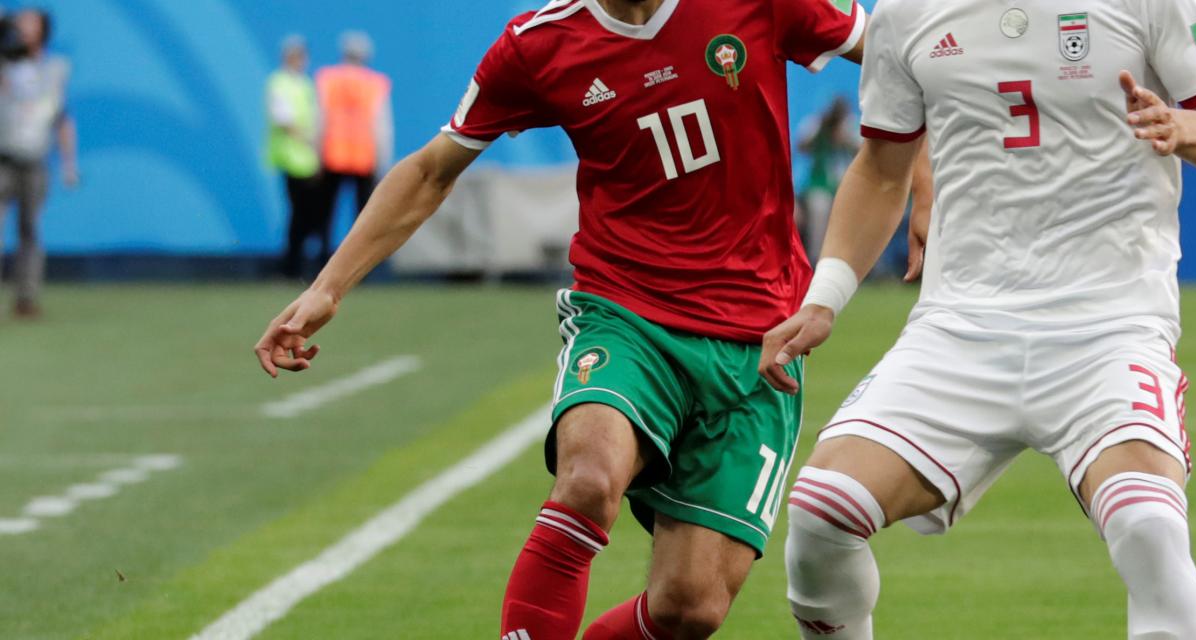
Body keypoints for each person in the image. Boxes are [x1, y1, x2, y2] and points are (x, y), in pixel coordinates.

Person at [251, 0, 868, 638]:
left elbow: (895, 52)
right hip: (628, 314)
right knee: (589, 478)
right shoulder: (538, 44)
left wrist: (926, 163)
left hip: (758, 336)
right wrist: (329, 287)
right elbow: (433, 170)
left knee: (690, 606)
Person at [759, 0, 1196, 637]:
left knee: (1150, 527)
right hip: (960, 329)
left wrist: (1182, 127)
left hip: (1108, 329)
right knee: (820, 510)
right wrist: (825, 297)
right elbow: (883, 168)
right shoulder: (905, 13)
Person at [0, 7, 75, 320]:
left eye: (30, 24)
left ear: (43, 29)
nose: (24, 29)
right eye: (20, 24)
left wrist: (69, 163)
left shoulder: (55, 68)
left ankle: (26, 299)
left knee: (30, 230)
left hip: (35, 159)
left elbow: (60, 117)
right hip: (3, 157)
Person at [314, 31, 392, 234]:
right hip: (364, 158)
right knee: (363, 217)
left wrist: (316, 154)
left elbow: (319, 119)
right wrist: (382, 162)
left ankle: (325, 260)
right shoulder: (374, 83)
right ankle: (360, 263)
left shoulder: (328, 79)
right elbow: (381, 126)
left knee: (326, 213)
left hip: (333, 155)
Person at [267, 35, 326, 280]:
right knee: (298, 216)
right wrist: (308, 139)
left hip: (308, 159)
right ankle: (292, 267)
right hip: (291, 158)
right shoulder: (279, 82)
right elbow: (283, 120)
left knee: (309, 215)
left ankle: (301, 265)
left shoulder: (304, 84)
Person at [795, 96, 858, 261]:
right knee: (819, 208)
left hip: (844, 186)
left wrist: (845, 137)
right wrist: (820, 129)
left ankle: (851, 259)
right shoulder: (817, 125)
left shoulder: (849, 128)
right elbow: (801, 146)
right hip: (819, 185)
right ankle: (816, 258)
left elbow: (863, 151)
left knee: (856, 211)